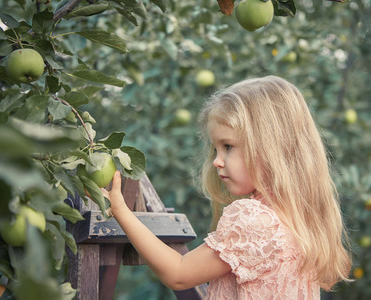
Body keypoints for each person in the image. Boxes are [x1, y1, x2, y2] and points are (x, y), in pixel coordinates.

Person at [102, 75, 352, 299]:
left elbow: (178, 274)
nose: (216, 161)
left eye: (228, 147)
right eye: (215, 148)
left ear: (270, 148)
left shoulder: (253, 218)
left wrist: (121, 211)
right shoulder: (300, 221)